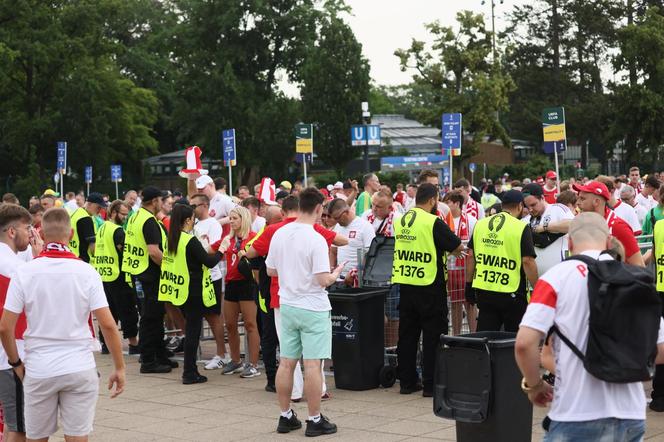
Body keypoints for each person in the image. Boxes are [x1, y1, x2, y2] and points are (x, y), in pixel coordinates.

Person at [515, 212, 664, 440]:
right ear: (607, 242)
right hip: (631, 414)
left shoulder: (555, 278)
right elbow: (661, 350)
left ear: (571, 242)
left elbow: (524, 344)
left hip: (575, 413)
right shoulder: (635, 278)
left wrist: (535, 386)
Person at [0, 208, 125, 441]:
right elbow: (108, 325)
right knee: (78, 436)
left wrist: (16, 362)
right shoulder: (87, 272)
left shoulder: (25, 272)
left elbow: (5, 327)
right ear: (73, 234)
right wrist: (119, 367)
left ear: (42, 235)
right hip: (79, 365)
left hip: (39, 368)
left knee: (35, 437)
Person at [245, 195, 346, 395]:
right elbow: (343, 240)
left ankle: (295, 393)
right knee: (314, 356)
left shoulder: (273, 231)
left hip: (282, 298)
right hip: (312, 299)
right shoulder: (314, 230)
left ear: (283, 212)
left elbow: (250, 253)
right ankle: (320, 391)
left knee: (287, 355)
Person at [266, 188, 344, 437]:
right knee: (312, 364)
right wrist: (335, 274)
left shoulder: (279, 233)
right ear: (320, 209)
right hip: (313, 306)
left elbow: (271, 271)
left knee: (287, 362)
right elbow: (322, 279)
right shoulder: (316, 239)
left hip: (287, 304)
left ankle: (285, 415)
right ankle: (314, 418)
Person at [393, 183, 463, 396]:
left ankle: (406, 382)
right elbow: (456, 244)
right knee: (434, 335)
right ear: (433, 200)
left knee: (407, 335)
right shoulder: (433, 221)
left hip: (406, 283)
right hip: (430, 285)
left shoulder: (401, 220)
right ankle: (432, 384)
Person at [158, 202, 223, 384]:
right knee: (193, 333)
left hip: (180, 291)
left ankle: (190, 370)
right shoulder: (189, 240)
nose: (194, 222)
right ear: (187, 220)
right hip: (193, 291)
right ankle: (189, 372)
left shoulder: (172, 238)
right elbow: (208, 262)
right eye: (193, 219)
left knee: (190, 332)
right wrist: (222, 249)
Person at [465, 190, 538, 332]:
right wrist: (537, 288)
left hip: (484, 289)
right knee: (513, 340)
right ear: (519, 206)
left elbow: (471, 256)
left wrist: (468, 285)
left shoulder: (481, 224)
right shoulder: (521, 227)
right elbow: (528, 261)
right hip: (512, 291)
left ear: (502, 205)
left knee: (485, 338)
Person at [0, 205, 42, 441]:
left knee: (11, 421)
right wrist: (39, 260)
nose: (32, 233)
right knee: (19, 427)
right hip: (11, 355)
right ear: (12, 232)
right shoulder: (16, 269)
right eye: (27, 228)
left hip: (6, 355)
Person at [122, 186, 175, 373]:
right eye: (161, 200)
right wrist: (171, 268)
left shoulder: (136, 216)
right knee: (150, 318)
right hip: (150, 274)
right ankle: (148, 361)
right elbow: (154, 252)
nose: (163, 203)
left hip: (140, 273)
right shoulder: (149, 221)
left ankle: (160, 355)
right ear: (154, 202)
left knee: (153, 316)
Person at [92, 200, 140, 355]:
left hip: (104, 275)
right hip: (119, 275)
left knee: (109, 311)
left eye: (127, 215)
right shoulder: (118, 231)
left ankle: (105, 344)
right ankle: (133, 343)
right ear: (113, 213)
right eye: (123, 214)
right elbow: (126, 251)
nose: (125, 218)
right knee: (127, 310)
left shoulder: (102, 228)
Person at [219, 206, 261, 378]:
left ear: (243, 219)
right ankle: (236, 360)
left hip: (247, 283)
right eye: (230, 218)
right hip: (231, 283)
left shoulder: (252, 238)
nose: (231, 221)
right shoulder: (228, 238)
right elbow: (213, 251)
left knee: (250, 324)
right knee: (230, 324)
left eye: (235, 218)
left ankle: (252, 364)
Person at [190, 194, 230, 371]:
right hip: (199, 276)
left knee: (213, 316)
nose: (192, 209)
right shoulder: (195, 225)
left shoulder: (213, 224)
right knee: (205, 315)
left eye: (195, 205)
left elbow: (215, 247)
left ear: (205, 205)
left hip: (211, 275)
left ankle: (222, 354)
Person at [573, 181, 644, 266]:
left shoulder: (618, 227)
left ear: (596, 202)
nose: (577, 203)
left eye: (582, 199)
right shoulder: (585, 223)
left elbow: (639, 266)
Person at [442, 190, 477, 335]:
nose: (444, 205)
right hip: (450, 268)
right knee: (455, 305)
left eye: (448, 202)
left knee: (469, 304)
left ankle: (475, 335)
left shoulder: (471, 220)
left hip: (466, 268)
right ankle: (456, 336)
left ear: (457, 203)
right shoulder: (442, 220)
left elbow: (473, 246)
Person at [522, 183, 574, 275]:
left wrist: (545, 227)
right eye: (527, 206)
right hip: (537, 280)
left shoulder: (558, 209)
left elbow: (573, 224)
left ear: (542, 198)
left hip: (561, 275)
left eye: (533, 205)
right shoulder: (526, 220)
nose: (530, 209)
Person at [328, 199, 375, 283]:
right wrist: (331, 269)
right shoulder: (337, 227)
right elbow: (333, 251)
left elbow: (370, 255)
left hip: (358, 280)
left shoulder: (365, 226)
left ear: (346, 212)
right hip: (339, 279)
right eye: (334, 218)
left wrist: (355, 272)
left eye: (337, 218)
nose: (336, 221)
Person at [69, 192, 106, 263]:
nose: (99, 211)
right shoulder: (86, 219)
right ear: (89, 204)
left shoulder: (76, 213)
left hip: (72, 257)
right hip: (83, 260)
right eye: (98, 207)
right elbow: (93, 247)